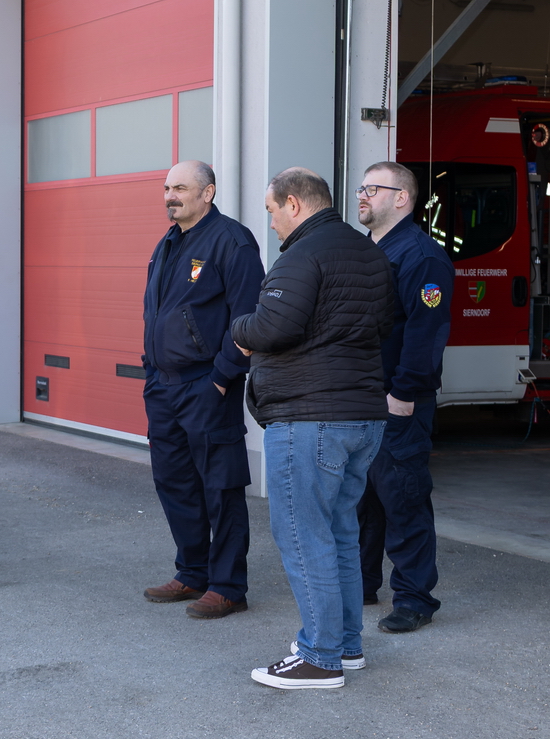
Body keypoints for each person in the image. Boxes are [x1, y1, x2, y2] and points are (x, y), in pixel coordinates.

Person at [232, 167, 393, 689]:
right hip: (362, 416)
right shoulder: (369, 252)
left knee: (304, 535)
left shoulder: (302, 255)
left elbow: (273, 326)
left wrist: (238, 328)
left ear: (294, 204)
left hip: (309, 418)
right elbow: (385, 324)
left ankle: (320, 657)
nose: (272, 222)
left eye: (272, 210)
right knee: (339, 531)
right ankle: (345, 645)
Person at [141, 161, 264, 619]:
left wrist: (221, 377)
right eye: (166, 188)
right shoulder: (169, 242)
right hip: (164, 386)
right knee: (174, 481)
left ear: (207, 193)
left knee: (220, 486)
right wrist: (150, 369)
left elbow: (249, 318)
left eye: (180, 188)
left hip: (207, 386)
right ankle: (192, 572)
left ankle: (228, 586)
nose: (169, 196)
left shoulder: (232, 241)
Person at [355, 162, 453, 633]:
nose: (362, 195)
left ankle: (414, 598)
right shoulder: (366, 250)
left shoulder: (421, 256)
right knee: (362, 497)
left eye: (373, 188)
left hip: (397, 399)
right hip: (360, 398)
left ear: (402, 198)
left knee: (403, 496)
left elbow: (425, 331)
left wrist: (404, 392)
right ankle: (362, 582)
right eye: (361, 187)